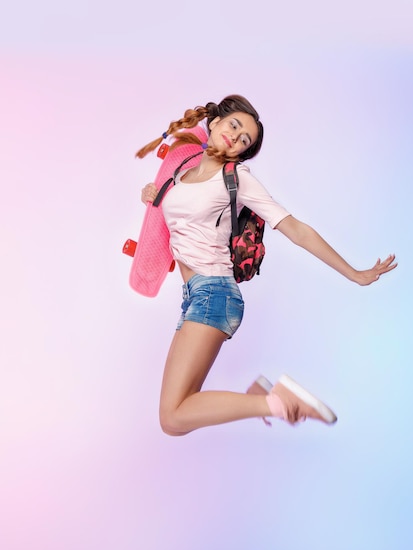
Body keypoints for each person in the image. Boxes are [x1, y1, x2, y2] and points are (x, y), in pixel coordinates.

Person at [137, 95, 397, 436]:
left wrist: (355, 273)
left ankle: (277, 401)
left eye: (245, 140)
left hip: (215, 294)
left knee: (172, 418)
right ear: (214, 123)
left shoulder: (237, 178)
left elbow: (296, 229)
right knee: (177, 409)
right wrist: (153, 194)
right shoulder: (182, 170)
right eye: (234, 126)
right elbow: (174, 222)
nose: (237, 137)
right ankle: (262, 397)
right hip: (193, 296)